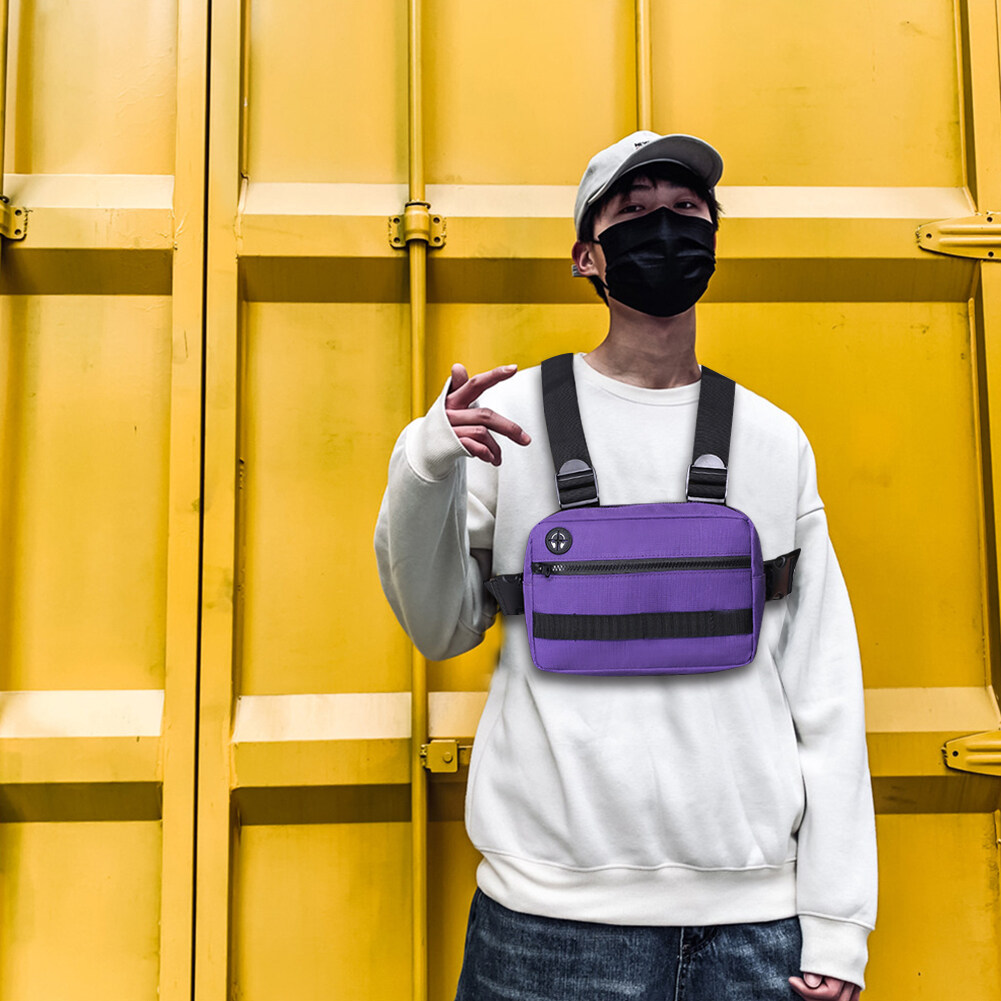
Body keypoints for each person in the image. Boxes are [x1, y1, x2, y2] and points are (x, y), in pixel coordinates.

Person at [374, 131, 877, 1000]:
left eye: (686, 209)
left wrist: (837, 922)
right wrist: (426, 463)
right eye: (635, 212)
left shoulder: (771, 439)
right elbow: (439, 627)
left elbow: (823, 685)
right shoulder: (503, 421)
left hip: (752, 929)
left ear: (713, 239)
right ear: (587, 257)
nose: (666, 228)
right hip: (543, 927)